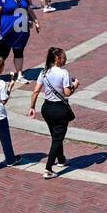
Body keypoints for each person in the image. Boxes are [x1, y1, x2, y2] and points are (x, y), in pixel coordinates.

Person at [29, 46, 79, 179]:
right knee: (57, 139)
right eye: (64, 58)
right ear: (57, 59)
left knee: (56, 135)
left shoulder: (44, 72)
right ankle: (48, 168)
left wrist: (32, 107)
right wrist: (75, 85)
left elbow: (35, 91)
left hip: (47, 108)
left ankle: (61, 159)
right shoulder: (64, 73)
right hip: (59, 110)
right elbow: (67, 93)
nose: (65, 60)